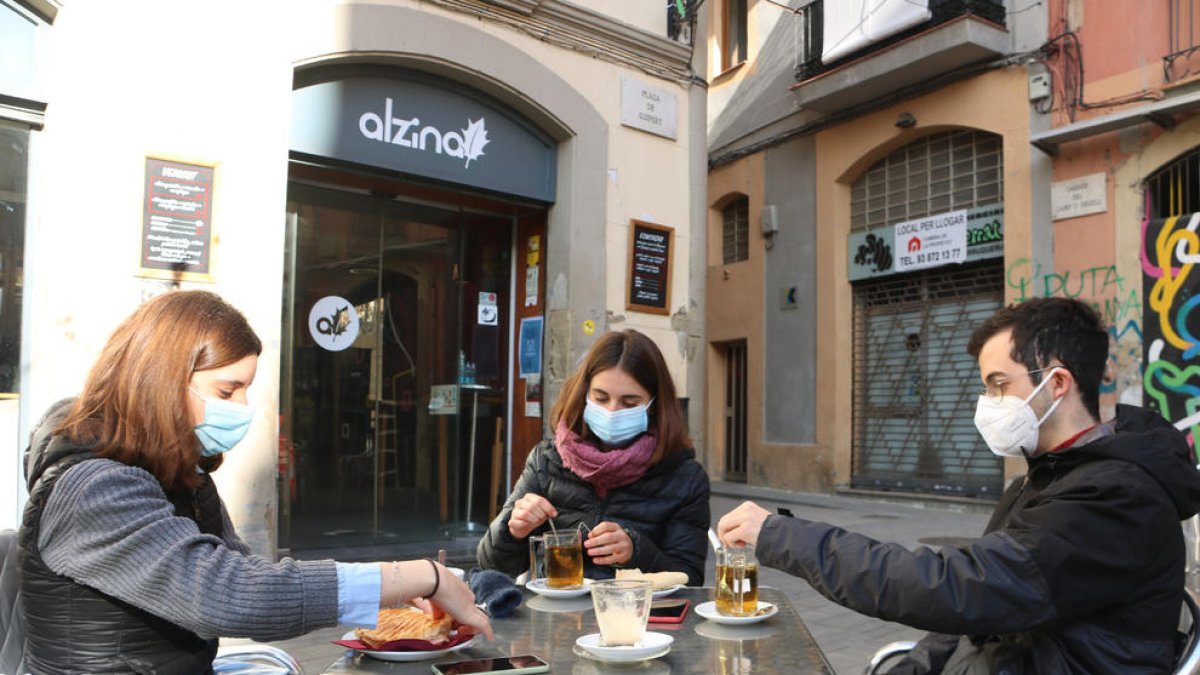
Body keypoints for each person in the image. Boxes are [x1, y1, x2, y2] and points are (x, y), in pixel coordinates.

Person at [718, 297, 1200, 674]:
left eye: (997, 384)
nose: (986, 402)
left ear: (1057, 383)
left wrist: (779, 535)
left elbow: (956, 587)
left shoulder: (1116, 496)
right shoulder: (1050, 475)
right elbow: (972, 618)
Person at [19, 290, 491, 674]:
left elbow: (256, 582)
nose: (242, 407)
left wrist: (386, 586)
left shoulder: (179, 475)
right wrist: (419, 575)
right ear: (160, 381)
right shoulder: (93, 488)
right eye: (227, 390)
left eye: (246, 389)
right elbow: (229, 596)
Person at [477, 329, 709, 585]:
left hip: (634, 617)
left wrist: (637, 551)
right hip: (555, 616)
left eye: (629, 403)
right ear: (584, 394)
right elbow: (491, 564)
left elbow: (690, 581)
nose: (611, 411)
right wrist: (513, 529)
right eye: (601, 398)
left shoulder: (685, 478)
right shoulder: (547, 460)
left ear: (654, 405)